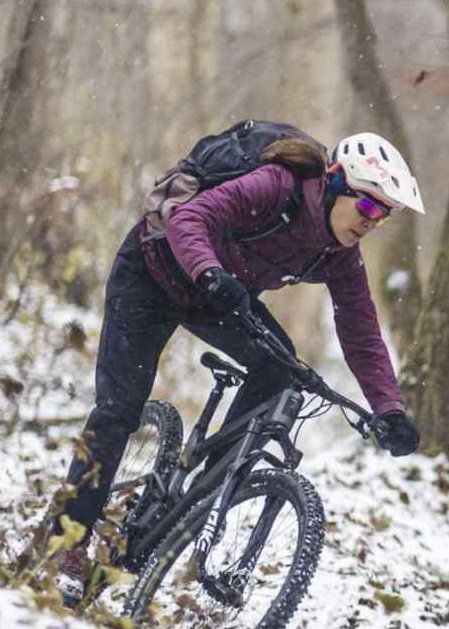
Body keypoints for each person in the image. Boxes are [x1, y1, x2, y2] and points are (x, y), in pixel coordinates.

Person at [54, 130, 423, 603]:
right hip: (155, 271)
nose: (374, 221)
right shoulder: (276, 185)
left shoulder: (339, 254)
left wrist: (388, 409)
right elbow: (190, 220)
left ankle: (204, 490)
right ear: (335, 183)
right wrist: (210, 272)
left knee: (282, 370)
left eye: (385, 214)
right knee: (118, 409)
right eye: (369, 206)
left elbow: (360, 329)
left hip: (220, 297)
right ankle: (68, 541)